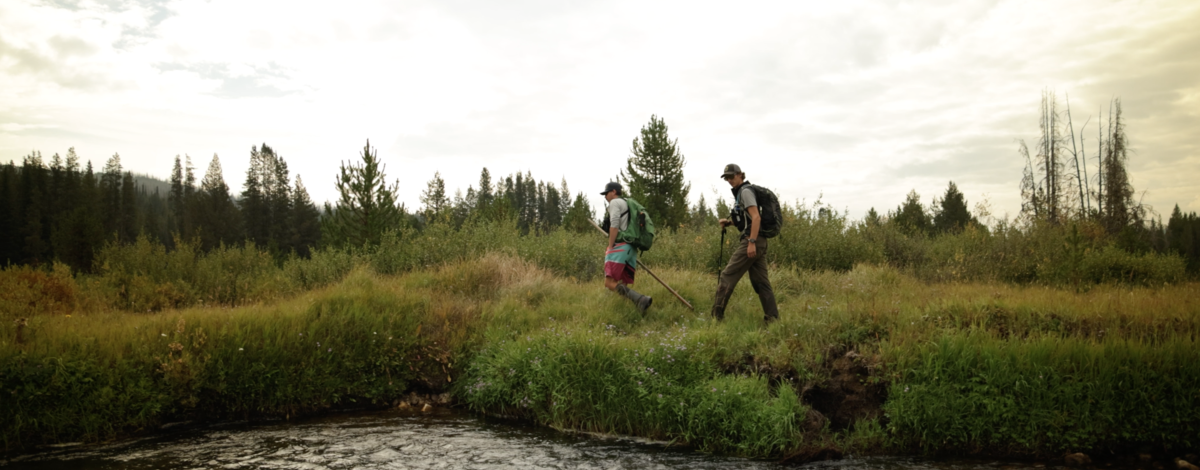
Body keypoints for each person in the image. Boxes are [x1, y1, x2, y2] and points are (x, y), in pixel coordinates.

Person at [713, 164, 778, 323]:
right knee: (761, 282)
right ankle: (773, 320)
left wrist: (751, 242)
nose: (729, 180)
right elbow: (748, 220)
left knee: (727, 276)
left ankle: (716, 318)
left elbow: (756, 218)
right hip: (759, 241)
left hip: (753, 240)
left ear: (740, 175)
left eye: (731, 177)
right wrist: (729, 223)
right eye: (726, 178)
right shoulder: (743, 192)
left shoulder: (746, 191)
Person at [600, 181, 652, 314]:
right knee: (622, 282)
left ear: (614, 192)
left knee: (609, 282)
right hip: (631, 248)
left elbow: (615, 225)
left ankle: (641, 299)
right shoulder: (627, 203)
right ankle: (627, 311)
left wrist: (610, 247)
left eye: (607, 193)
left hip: (620, 246)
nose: (605, 197)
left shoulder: (615, 203)